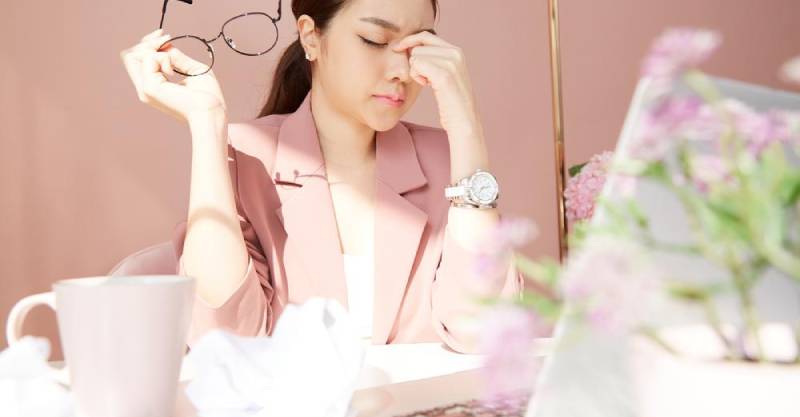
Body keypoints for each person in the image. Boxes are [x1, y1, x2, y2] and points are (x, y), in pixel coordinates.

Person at [119, 0, 522, 354]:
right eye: (374, 41)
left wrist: (466, 125)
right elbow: (226, 337)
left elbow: (481, 334)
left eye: (418, 47)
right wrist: (207, 125)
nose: (402, 70)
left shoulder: (450, 163)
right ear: (311, 37)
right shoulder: (246, 158)